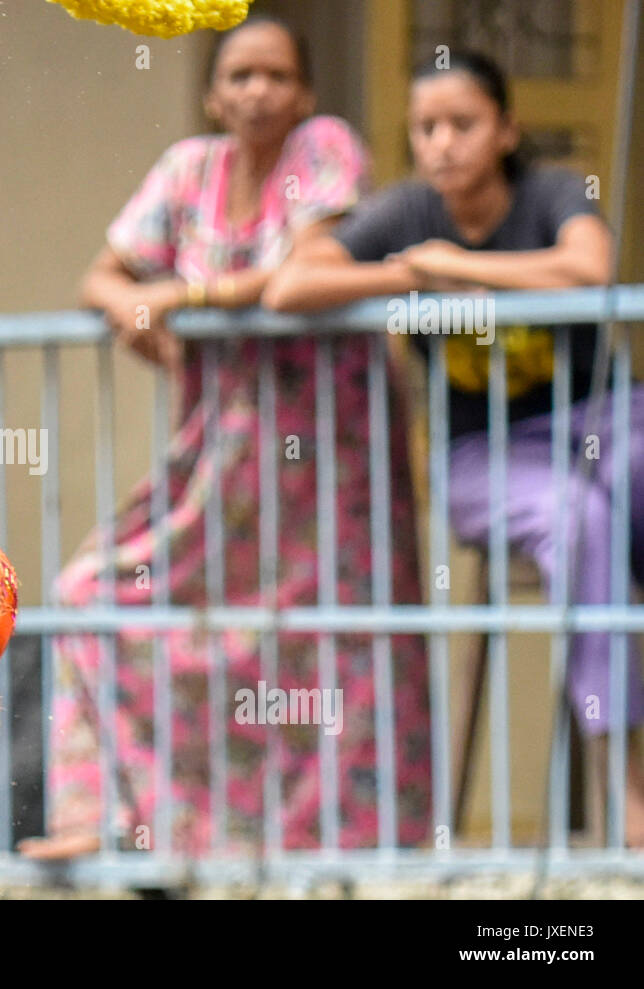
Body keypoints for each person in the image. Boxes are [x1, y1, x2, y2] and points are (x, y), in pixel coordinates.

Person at [19, 16, 433, 860]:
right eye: (240, 75)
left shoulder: (324, 148)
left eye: (277, 75)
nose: (258, 92)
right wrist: (146, 317)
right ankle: (105, 819)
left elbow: (295, 275)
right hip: (221, 434)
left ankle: (353, 843)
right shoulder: (188, 169)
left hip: (330, 433)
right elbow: (103, 276)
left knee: (334, 630)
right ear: (212, 93)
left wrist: (185, 295)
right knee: (96, 590)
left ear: (305, 91)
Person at [265, 50, 644, 842]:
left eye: (462, 124)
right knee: (579, 520)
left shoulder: (553, 192)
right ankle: (629, 783)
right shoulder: (407, 216)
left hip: (603, 422)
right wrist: (409, 275)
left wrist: (465, 269)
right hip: (486, 459)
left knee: (619, 490)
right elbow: (292, 285)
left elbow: (593, 267)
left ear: (506, 130)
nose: (442, 143)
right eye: (425, 127)